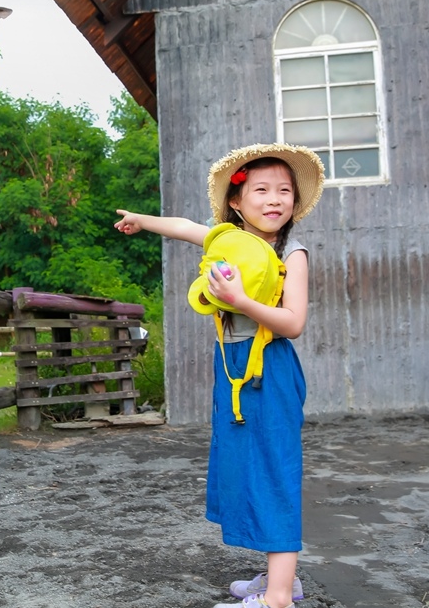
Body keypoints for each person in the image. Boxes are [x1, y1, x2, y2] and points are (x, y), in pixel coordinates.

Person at [114, 143, 325, 608]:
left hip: (269, 368)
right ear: (236, 200)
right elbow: (188, 227)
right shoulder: (226, 240)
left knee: (273, 470)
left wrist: (242, 300)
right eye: (262, 190)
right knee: (247, 467)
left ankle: (277, 600)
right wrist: (143, 220)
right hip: (232, 367)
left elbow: (294, 322)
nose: (275, 200)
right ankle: (280, 580)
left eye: (284, 191)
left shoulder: (292, 252)